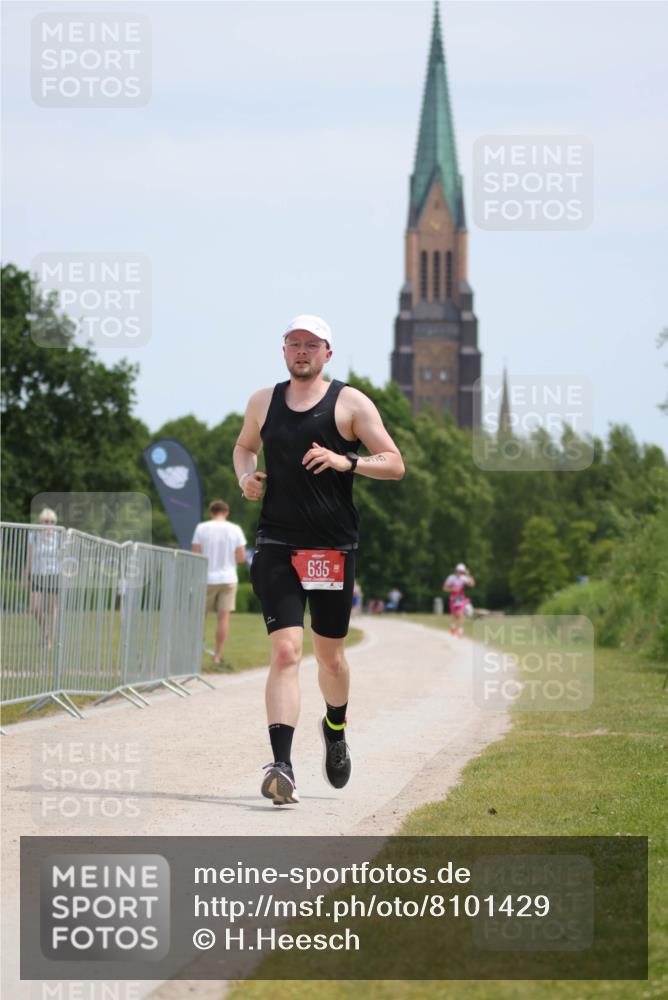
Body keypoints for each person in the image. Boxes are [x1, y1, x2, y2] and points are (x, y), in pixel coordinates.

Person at [233, 314, 405, 806]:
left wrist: (346, 461)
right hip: (276, 544)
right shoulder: (263, 402)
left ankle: (335, 728)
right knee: (286, 651)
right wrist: (245, 477)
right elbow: (244, 449)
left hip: (331, 548)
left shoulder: (349, 403)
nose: (301, 351)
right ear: (283, 351)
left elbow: (394, 462)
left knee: (330, 656)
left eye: (312, 344)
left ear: (328, 353)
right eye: (293, 344)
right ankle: (281, 765)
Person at [192, 500, 247, 665]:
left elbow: (195, 553)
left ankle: (194, 653)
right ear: (226, 513)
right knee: (223, 618)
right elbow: (242, 557)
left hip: (206, 577)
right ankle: (217, 655)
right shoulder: (235, 529)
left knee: (200, 617)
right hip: (228, 578)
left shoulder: (202, 528)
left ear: (211, 512)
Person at [23, 507, 61, 650]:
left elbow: (65, 558)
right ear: (40, 522)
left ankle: (50, 640)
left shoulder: (59, 536)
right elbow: (29, 556)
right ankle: (45, 629)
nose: (49, 524)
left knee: (52, 608)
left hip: (53, 574)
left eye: (52, 521)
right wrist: (25, 575)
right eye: (46, 521)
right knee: (34, 607)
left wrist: (68, 576)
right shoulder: (33, 535)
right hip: (38, 574)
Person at [442, 562, 476, 638]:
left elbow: (472, 584)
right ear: (456, 570)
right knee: (454, 616)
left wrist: (468, 575)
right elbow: (444, 588)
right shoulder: (451, 578)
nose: (459, 572)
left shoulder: (464, 578)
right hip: (453, 599)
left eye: (461, 571)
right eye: (458, 571)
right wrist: (452, 589)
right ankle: (453, 627)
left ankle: (460, 631)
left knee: (461, 615)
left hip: (461, 599)